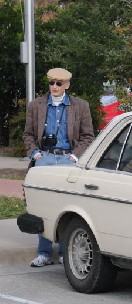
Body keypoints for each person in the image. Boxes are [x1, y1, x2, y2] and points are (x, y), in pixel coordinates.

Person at [23, 67, 95, 267]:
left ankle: (65, 252)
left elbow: (88, 136)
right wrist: (35, 153)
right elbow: (28, 134)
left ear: (67, 85)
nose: (54, 87)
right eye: (51, 83)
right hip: (44, 159)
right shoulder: (35, 105)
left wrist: (74, 156)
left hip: (67, 161)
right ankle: (44, 253)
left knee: (67, 206)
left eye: (58, 83)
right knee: (42, 206)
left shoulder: (80, 106)